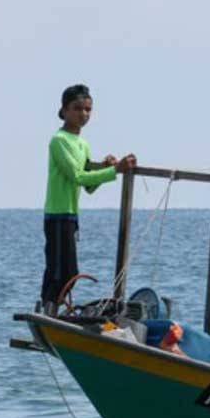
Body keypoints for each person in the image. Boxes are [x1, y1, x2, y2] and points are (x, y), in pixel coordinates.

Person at [40, 84, 136, 315]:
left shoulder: (82, 144)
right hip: (57, 214)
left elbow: (90, 185)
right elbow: (77, 176)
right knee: (58, 270)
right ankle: (49, 310)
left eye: (87, 110)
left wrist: (105, 167)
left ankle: (56, 310)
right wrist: (116, 171)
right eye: (77, 109)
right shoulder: (59, 140)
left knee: (71, 271)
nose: (83, 114)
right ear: (63, 111)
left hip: (71, 215)